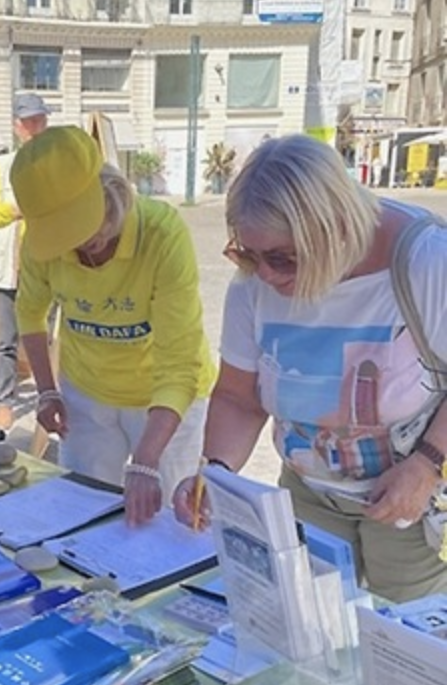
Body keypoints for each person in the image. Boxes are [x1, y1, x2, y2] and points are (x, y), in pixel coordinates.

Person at [171, 134, 447, 603]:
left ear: (336, 227)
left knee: (412, 650)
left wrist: (427, 465)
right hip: (308, 491)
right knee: (315, 634)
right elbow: (239, 397)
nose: (265, 275)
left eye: (282, 258)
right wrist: (215, 473)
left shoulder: (426, 262)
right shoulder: (254, 285)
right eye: (247, 253)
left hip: (413, 499)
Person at [11, 126, 215, 525]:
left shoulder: (162, 234)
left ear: (110, 194)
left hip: (164, 401)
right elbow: (30, 313)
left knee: (172, 521)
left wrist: (146, 459)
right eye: (61, 234)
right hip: (86, 395)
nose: (76, 246)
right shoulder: (42, 244)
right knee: (80, 512)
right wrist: (47, 392)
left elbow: (179, 363)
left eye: (83, 228)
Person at [0, 93, 51, 430]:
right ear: (17, 126)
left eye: (41, 120)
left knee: (48, 337)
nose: (36, 127)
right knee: (7, 339)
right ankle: (5, 401)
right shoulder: (3, 165)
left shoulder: (58, 161)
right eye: (29, 121)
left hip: (49, 263)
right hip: (11, 267)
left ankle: (51, 395)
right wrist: (12, 211)